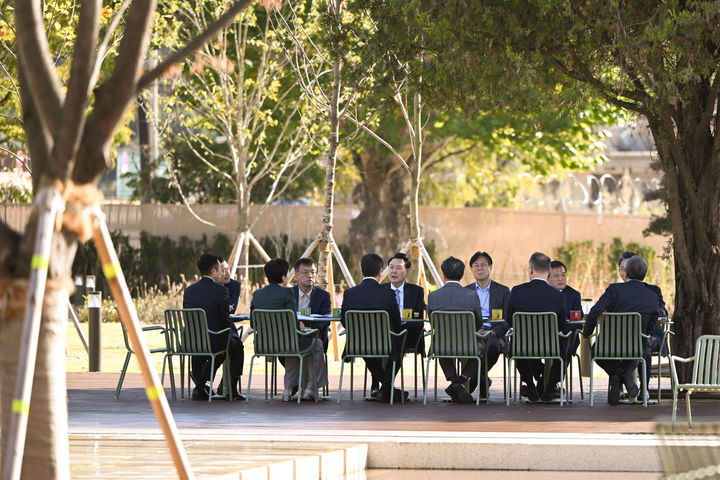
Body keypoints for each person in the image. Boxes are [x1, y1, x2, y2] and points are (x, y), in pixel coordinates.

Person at [582, 254, 660, 405]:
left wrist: (587, 333)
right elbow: (653, 322)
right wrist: (645, 334)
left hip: (607, 346)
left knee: (595, 350)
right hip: (636, 348)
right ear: (644, 275)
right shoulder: (652, 297)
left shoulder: (614, 290)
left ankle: (616, 375)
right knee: (637, 352)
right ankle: (625, 375)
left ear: (626, 273)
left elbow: (595, 311)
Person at [250, 258, 328, 402]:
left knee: (292, 347)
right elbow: (292, 322)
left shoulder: (257, 294)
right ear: (283, 276)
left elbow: (254, 323)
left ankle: (288, 390)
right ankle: (310, 388)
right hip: (289, 343)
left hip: (264, 345)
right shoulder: (288, 294)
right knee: (314, 344)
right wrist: (302, 327)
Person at [340, 253, 407, 403]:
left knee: (366, 347)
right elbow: (397, 324)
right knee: (399, 340)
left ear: (362, 272)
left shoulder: (349, 293)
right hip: (385, 344)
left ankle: (384, 387)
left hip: (358, 344)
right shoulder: (388, 294)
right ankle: (388, 387)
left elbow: (344, 321)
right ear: (380, 272)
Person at [506, 252, 566, 403]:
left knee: (517, 344)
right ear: (549, 271)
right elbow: (561, 325)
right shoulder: (557, 295)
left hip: (522, 346)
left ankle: (530, 384)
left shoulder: (517, 291)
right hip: (551, 347)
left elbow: (509, 320)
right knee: (564, 349)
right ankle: (550, 386)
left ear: (531, 269)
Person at [183, 253, 245, 400]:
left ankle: (200, 385)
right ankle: (231, 389)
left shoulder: (189, 290)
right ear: (213, 271)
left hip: (193, 340)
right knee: (236, 346)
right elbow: (225, 321)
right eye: (221, 270)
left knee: (215, 346)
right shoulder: (221, 290)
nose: (223, 273)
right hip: (214, 340)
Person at [427, 256, 484, 404]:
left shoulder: (433, 296)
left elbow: (433, 322)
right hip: (468, 345)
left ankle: (454, 381)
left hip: (442, 346)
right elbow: (478, 323)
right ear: (462, 275)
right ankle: (461, 380)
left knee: (440, 344)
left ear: (443, 275)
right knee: (482, 348)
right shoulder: (472, 295)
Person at [379, 252, 426, 397]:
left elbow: (419, 316)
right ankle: (386, 388)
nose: (393, 271)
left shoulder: (417, 291)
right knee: (392, 341)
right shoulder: (381, 290)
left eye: (398, 268)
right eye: (391, 267)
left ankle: (383, 389)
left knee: (398, 340)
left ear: (407, 270)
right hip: (383, 335)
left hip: (408, 335)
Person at [464, 251, 510, 396]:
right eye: (476, 265)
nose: (480, 268)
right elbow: (464, 318)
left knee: (493, 346)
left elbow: (509, 319)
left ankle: (471, 383)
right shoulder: (465, 292)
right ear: (471, 269)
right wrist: (476, 330)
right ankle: (483, 379)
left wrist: (493, 332)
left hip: (495, 333)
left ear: (490, 267)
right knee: (465, 346)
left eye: (483, 265)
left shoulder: (503, 291)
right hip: (473, 333)